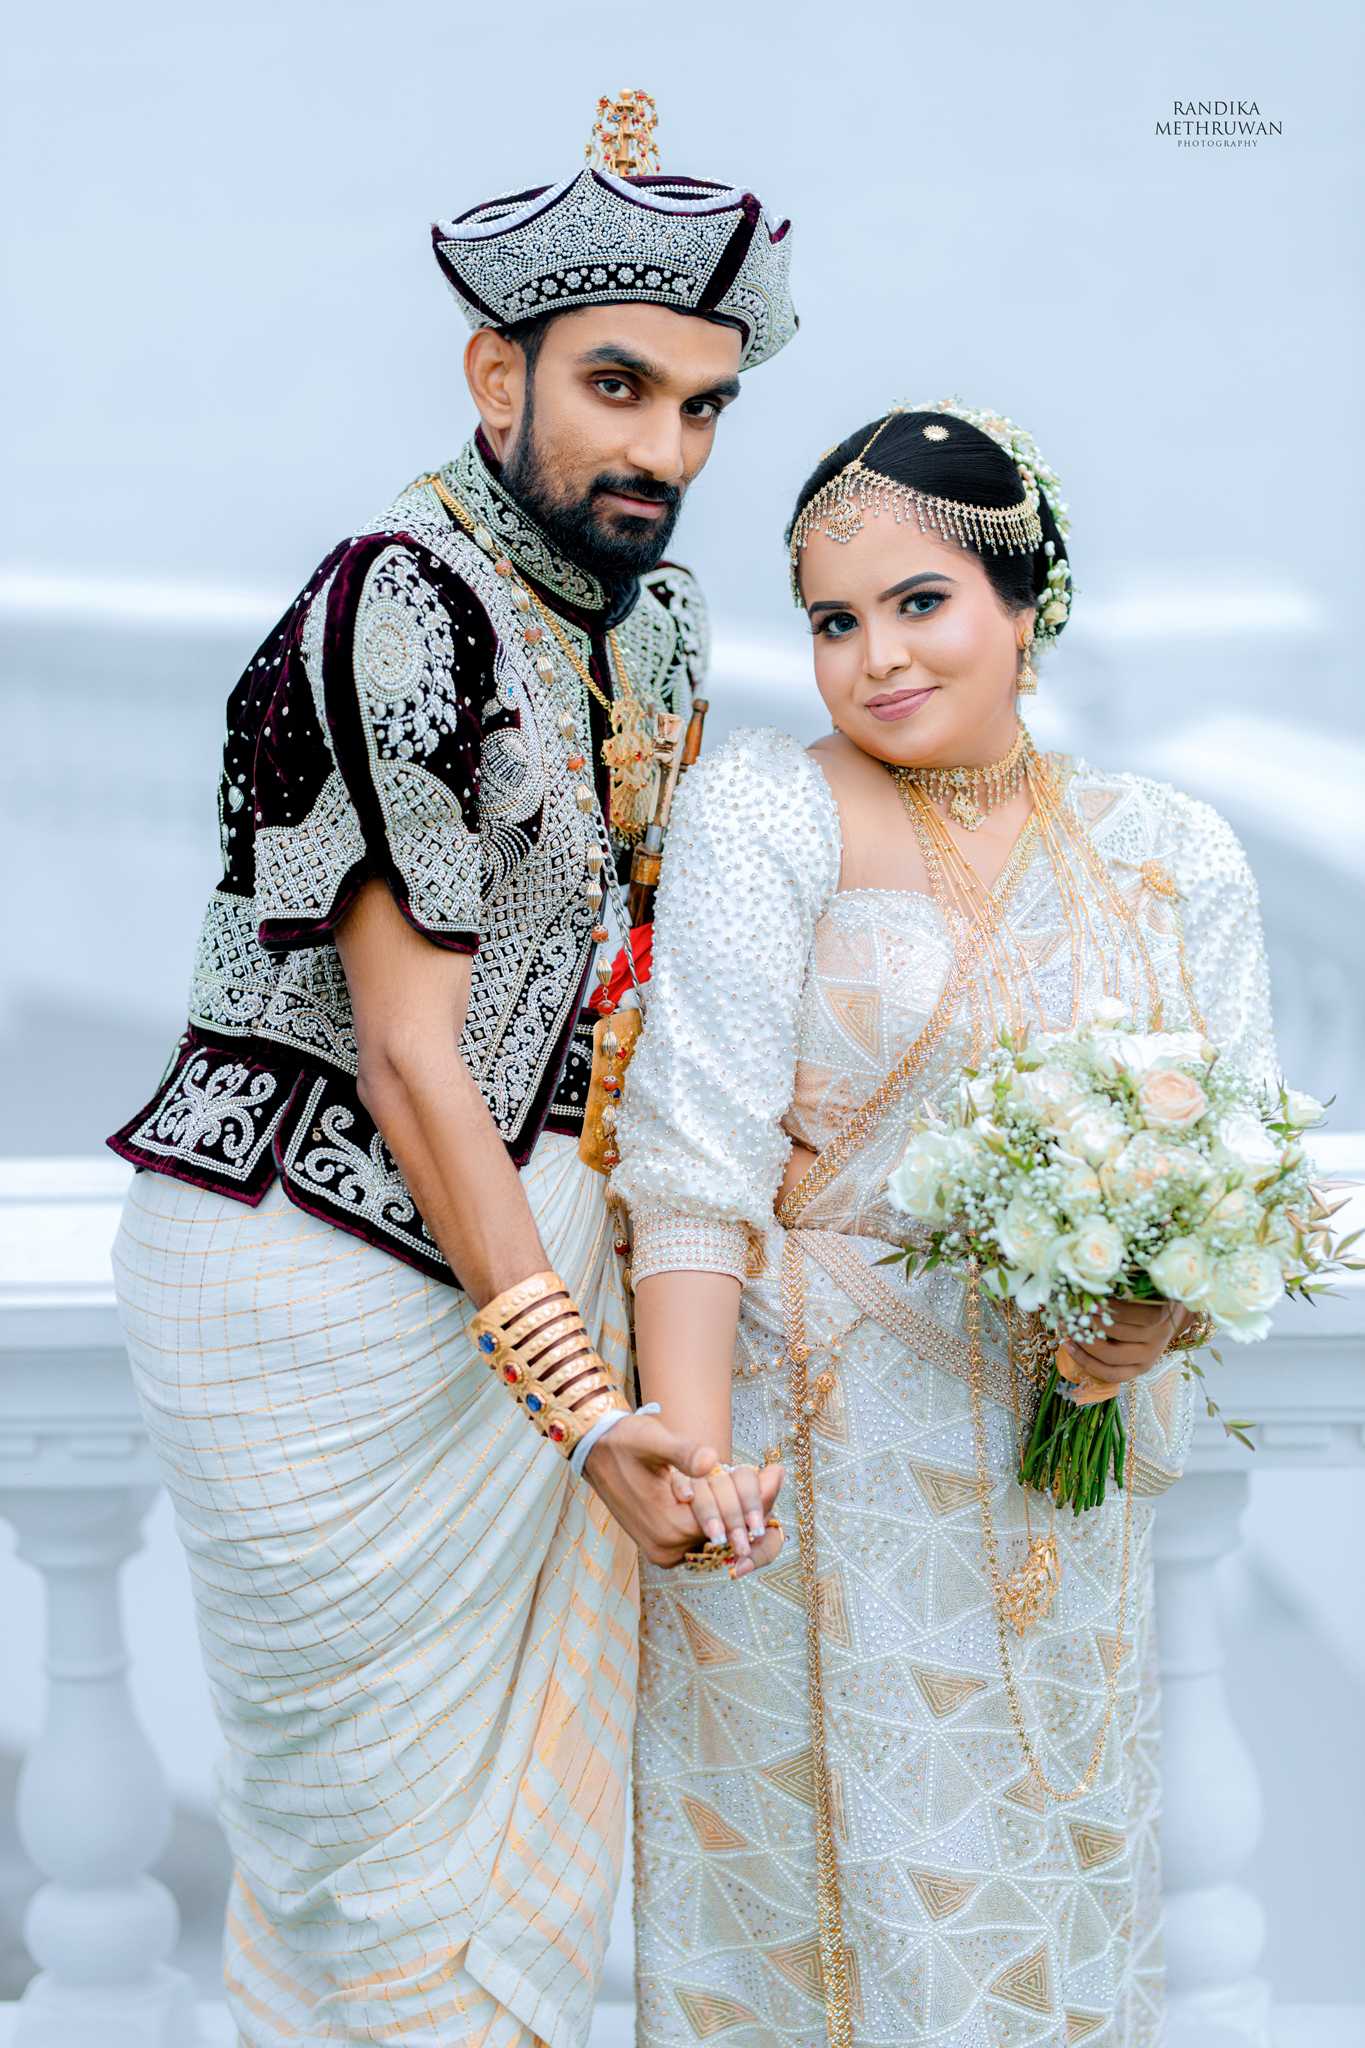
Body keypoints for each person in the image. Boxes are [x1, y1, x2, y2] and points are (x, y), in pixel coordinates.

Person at [106, 91, 794, 2048]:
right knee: (373, 1886)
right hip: (313, 1265)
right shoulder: (390, 605)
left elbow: (642, 973)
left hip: (517, 1252)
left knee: (490, 1903)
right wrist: (582, 1410)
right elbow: (412, 1061)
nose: (663, 451)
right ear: (498, 375)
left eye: (701, 407)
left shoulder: (661, 628)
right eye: (616, 388)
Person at [612, 402, 1278, 2046]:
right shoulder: (769, 814)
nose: (875, 659)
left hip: (1052, 1465)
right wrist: (693, 1459)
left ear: (1026, 602)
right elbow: (692, 1163)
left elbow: (1237, 1164)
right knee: (819, 1930)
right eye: (833, 621)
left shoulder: (1167, 852)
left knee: (1037, 1888)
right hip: (804, 1466)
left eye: (919, 603)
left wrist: (1154, 1308)